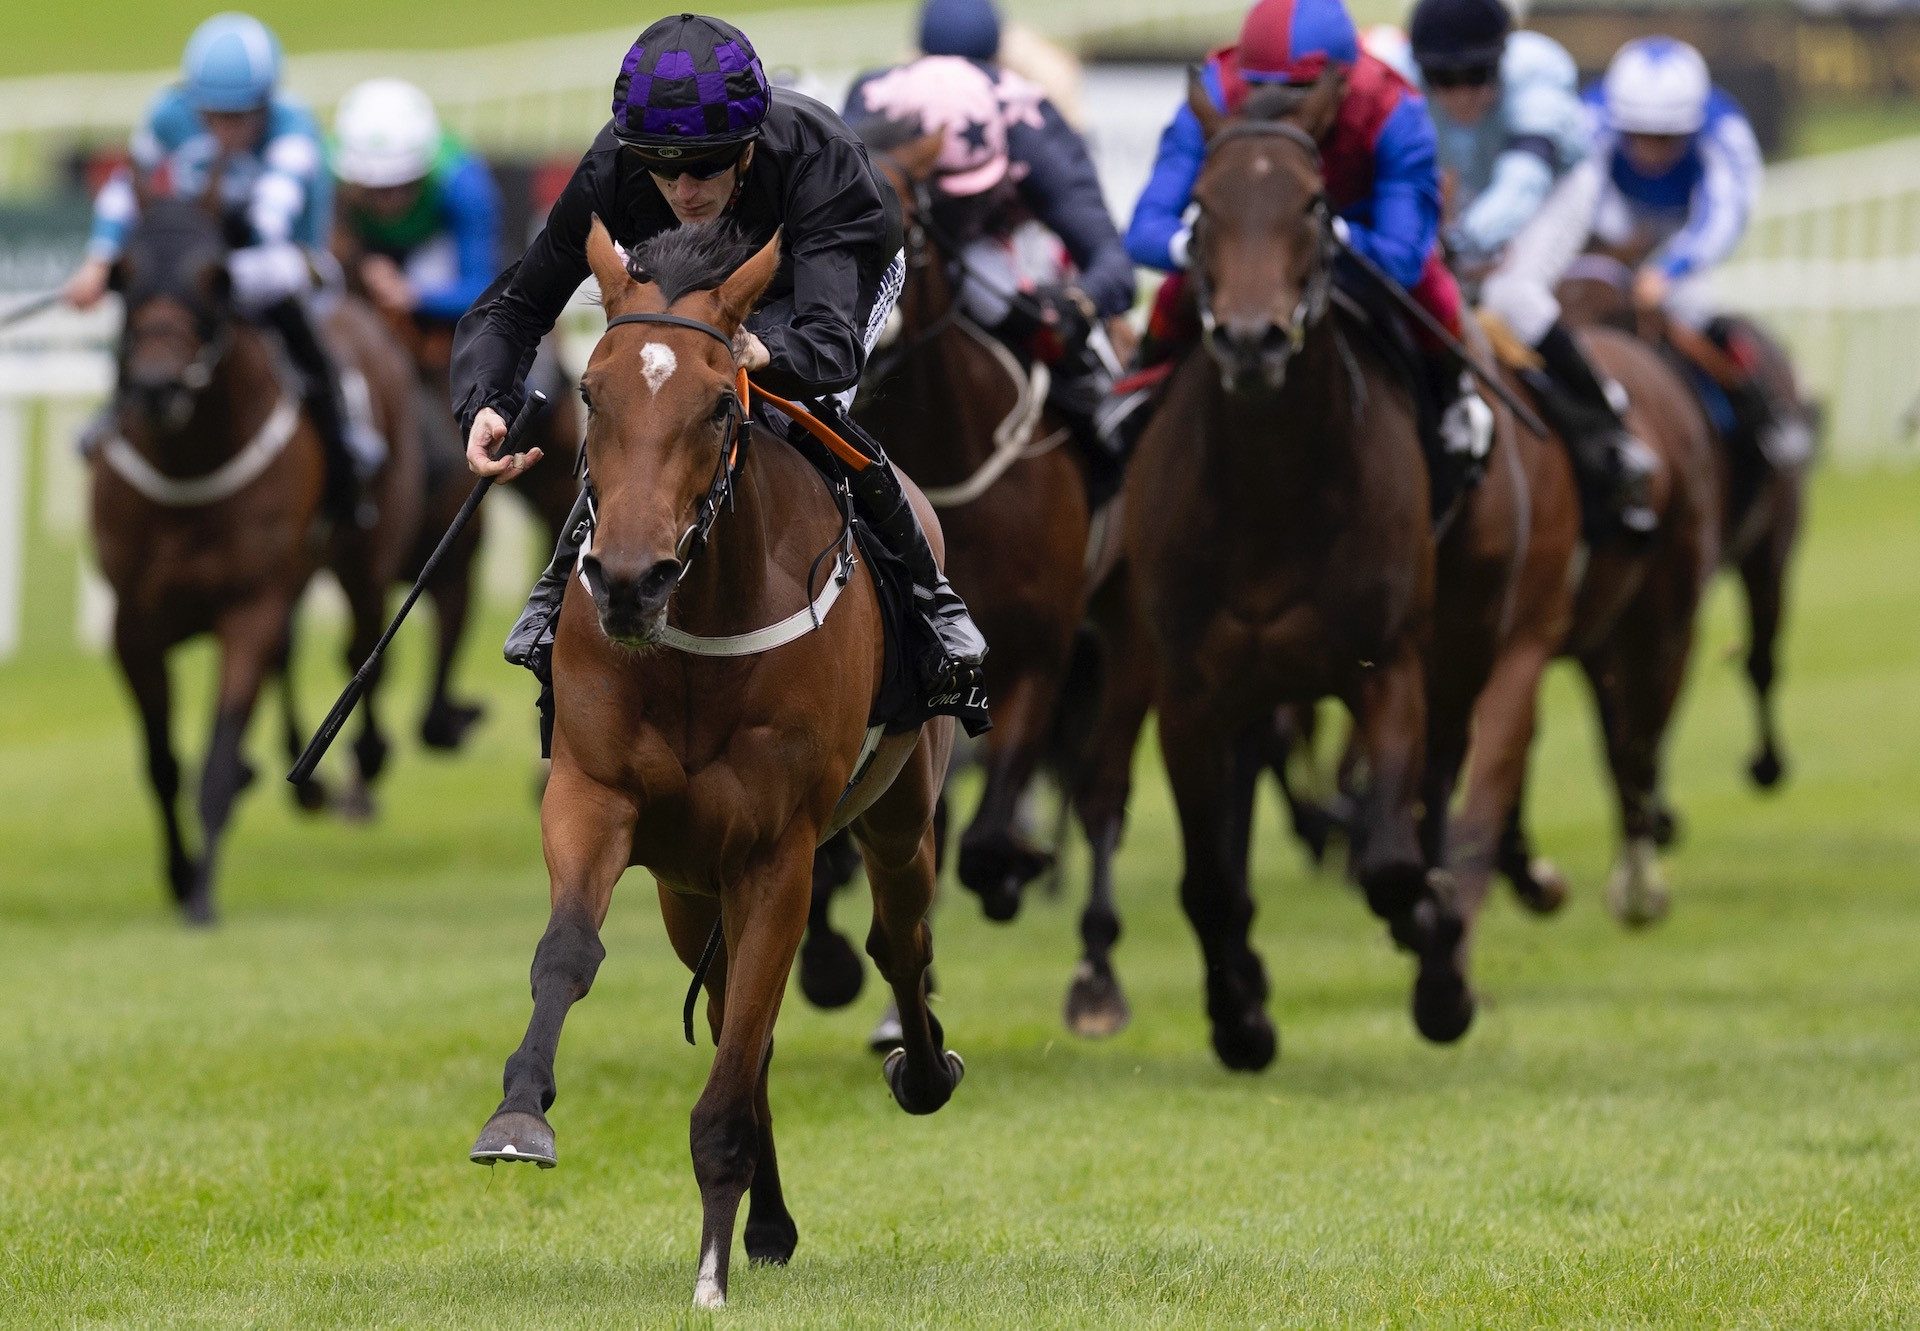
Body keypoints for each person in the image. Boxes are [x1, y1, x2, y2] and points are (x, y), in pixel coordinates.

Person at [452, 13, 988, 737]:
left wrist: (770, 357)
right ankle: (560, 587)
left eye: (705, 166)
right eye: (662, 166)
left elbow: (831, 343)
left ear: (747, 146)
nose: (683, 187)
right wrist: (485, 400)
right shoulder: (614, 168)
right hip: (705, 287)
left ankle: (932, 604)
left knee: (792, 411)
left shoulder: (820, 164)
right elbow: (518, 304)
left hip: (827, 275)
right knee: (649, 407)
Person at [1125, 0, 1492, 496]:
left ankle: (1452, 397)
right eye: (1260, 88)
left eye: (1298, 93)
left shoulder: (1393, 110)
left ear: (1341, 82)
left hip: (1358, 239)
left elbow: (1402, 256)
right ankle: (1135, 393)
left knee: (1432, 293)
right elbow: (1146, 229)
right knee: (1176, 292)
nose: (1274, 107)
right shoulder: (1215, 90)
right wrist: (1201, 246)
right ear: (1242, 76)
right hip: (1246, 236)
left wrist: (1327, 236)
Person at [65, 12, 382, 524]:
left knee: (251, 286)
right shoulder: (168, 114)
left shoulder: (294, 129)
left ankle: (342, 436)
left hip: (290, 259)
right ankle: (116, 408)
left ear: (264, 103)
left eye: (239, 118)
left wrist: (193, 259)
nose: (224, 130)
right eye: (212, 116)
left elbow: (267, 222)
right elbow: (127, 190)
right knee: (151, 296)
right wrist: (99, 261)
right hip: (211, 256)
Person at [1481, 38, 1776, 505]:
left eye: (1665, 139)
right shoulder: (1590, 115)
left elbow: (1725, 215)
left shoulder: (1726, 129)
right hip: (1603, 238)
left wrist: (1670, 270)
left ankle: (1760, 418)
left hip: (1680, 239)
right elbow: (1575, 197)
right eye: (1637, 135)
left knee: (1696, 315)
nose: (1650, 150)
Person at [1407, 0, 1655, 535]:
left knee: (1510, 297)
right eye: (1441, 79)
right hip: (1475, 184)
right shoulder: (1402, 79)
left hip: (1555, 187)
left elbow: (1523, 185)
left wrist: (1462, 241)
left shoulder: (1538, 81)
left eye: (1476, 75)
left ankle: (1610, 423)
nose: (1459, 95)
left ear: (1503, 59)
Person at [845, 53, 1136, 503]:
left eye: (977, 189)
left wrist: (1074, 303)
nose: (966, 204)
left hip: (1004, 241)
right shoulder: (862, 115)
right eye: (957, 194)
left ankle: (1102, 420)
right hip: (908, 236)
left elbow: (1115, 271)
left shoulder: (1035, 134)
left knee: (1002, 297)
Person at [330, 78, 502, 332]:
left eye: (402, 184)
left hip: (435, 265)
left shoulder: (464, 183)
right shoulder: (322, 172)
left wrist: (413, 294)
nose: (387, 202)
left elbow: (484, 289)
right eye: (373, 189)